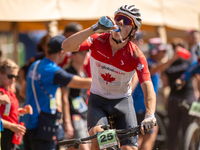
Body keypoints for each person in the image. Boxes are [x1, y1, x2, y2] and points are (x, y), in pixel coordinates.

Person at [62, 4, 157, 150]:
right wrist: (93, 28)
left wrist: (150, 114)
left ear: (133, 31)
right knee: (101, 139)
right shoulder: (98, 40)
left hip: (122, 102)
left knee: (129, 148)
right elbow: (66, 46)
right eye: (118, 18)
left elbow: (147, 84)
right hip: (98, 100)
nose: (119, 22)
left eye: (126, 21)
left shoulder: (135, 55)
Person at [22, 35, 92, 150]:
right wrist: (103, 80)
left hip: (28, 122)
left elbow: (23, 92)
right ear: (61, 52)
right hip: (43, 125)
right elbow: (79, 82)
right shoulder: (53, 70)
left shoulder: (34, 65)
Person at [132, 37, 179, 150]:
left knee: (149, 132)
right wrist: (173, 58)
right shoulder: (148, 63)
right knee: (141, 136)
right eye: (163, 51)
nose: (165, 53)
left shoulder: (151, 62)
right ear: (155, 52)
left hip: (145, 107)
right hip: (141, 106)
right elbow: (154, 69)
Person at [161, 38, 196, 150]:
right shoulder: (190, 62)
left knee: (172, 132)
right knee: (189, 130)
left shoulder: (168, 65)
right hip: (189, 98)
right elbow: (197, 80)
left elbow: (165, 85)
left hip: (173, 99)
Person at [0, 59, 33, 150]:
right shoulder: (1, 92)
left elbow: (7, 112)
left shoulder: (9, 91)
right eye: (10, 76)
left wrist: (21, 111)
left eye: (16, 77)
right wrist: (11, 126)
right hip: (4, 132)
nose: (13, 79)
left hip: (12, 132)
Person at [61, 51, 90, 150]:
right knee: (84, 148)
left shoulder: (84, 73)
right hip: (74, 117)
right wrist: (67, 122)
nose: (85, 55)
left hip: (84, 115)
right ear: (72, 55)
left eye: (86, 53)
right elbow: (64, 98)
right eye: (81, 53)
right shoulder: (67, 72)